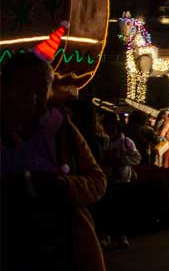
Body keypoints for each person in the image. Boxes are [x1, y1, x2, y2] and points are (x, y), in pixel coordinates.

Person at [0, 51, 107, 271]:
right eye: (25, 90)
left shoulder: (62, 129)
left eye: (41, 90)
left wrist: (63, 185)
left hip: (63, 249)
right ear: (5, 88)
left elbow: (97, 180)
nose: (34, 99)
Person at [98, 114, 141, 249]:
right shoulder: (103, 142)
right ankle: (107, 236)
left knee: (122, 210)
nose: (110, 130)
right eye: (107, 127)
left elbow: (136, 157)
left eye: (112, 127)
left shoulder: (127, 142)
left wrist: (121, 160)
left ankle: (121, 236)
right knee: (107, 210)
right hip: (108, 181)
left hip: (123, 181)